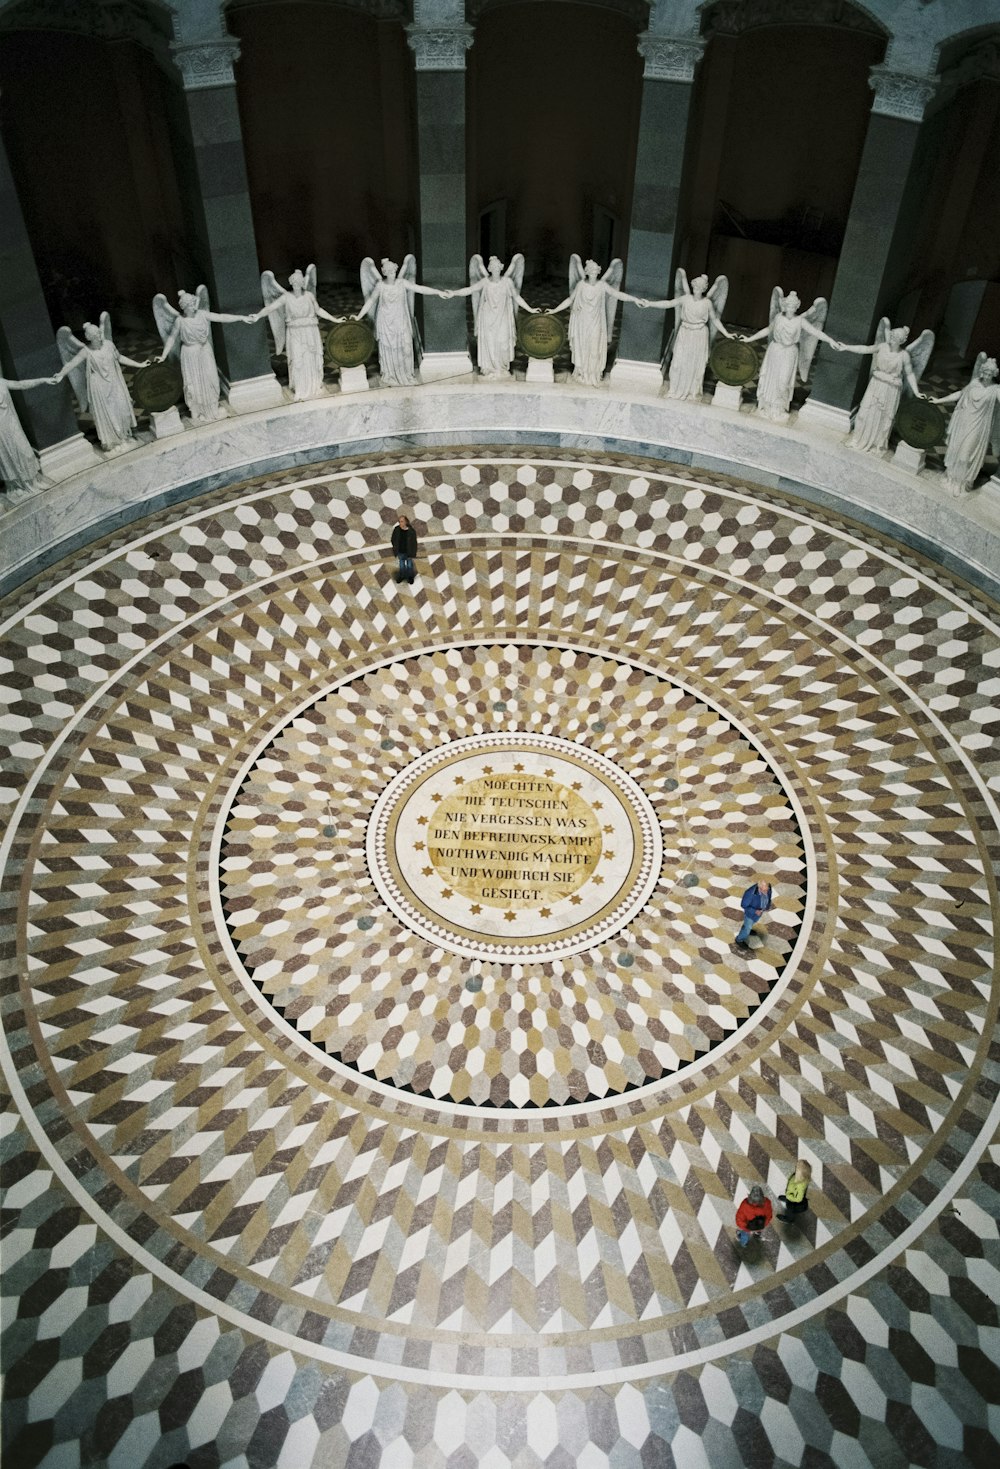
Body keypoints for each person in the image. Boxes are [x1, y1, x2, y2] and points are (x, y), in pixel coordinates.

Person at [153, 285, 258, 422]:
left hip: (204, 350)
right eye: (190, 305)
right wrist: (164, 355)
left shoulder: (202, 314)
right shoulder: (180, 321)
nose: (193, 306)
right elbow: (172, 338)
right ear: (184, 307)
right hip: (190, 354)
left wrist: (241, 318)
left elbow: (221, 317)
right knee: (193, 383)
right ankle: (197, 411)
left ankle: (211, 409)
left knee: (211, 379)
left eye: (193, 303)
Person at [834, 319, 934, 454]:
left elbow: (910, 374)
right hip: (876, 385)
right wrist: (846, 347)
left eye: (896, 337)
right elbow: (866, 349)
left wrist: (916, 392)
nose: (892, 338)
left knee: (883, 418)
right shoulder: (882, 346)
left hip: (890, 390)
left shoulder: (904, 355)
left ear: (902, 341)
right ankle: (858, 439)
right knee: (864, 413)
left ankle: (876, 444)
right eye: (892, 335)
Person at [55, 315, 149, 453]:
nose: (99, 336)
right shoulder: (86, 351)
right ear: (89, 338)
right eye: (95, 335)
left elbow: (120, 357)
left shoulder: (109, 345)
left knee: (123, 409)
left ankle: (124, 436)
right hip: (99, 388)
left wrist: (139, 364)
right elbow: (72, 364)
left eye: (99, 333)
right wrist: (60, 374)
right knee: (109, 415)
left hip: (115, 383)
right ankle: (115, 442)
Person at [741, 288, 835, 421]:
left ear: (797, 306)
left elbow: (815, 332)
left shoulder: (800, 320)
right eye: (788, 305)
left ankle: (778, 409)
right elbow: (768, 330)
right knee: (771, 379)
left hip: (789, 352)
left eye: (793, 305)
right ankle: (767, 407)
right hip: (775, 350)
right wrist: (750, 339)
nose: (790, 308)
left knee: (783, 381)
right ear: (784, 305)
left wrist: (830, 340)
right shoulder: (778, 317)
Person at [637, 269, 731, 401]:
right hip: (685, 332)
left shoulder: (707, 303)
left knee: (694, 364)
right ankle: (675, 389)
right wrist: (650, 303)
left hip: (699, 335)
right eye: (695, 286)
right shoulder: (685, 298)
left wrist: (726, 333)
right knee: (677, 363)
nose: (697, 288)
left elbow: (715, 320)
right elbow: (669, 303)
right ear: (692, 286)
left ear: (704, 288)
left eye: (700, 287)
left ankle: (691, 391)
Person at [356, 257, 449, 387]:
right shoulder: (380, 286)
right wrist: (359, 316)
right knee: (389, 349)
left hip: (401, 319)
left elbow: (419, 289)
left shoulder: (402, 283)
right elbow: (370, 301)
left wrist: (437, 292)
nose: (393, 273)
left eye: (394, 270)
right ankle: (390, 375)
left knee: (405, 347)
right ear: (385, 272)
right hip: (386, 321)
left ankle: (405, 374)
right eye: (389, 271)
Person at [254, 266, 343, 401]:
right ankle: (301, 389)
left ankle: (314, 386)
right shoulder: (286, 297)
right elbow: (270, 307)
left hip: (310, 331)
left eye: (300, 282)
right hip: (295, 333)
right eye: (295, 282)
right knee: (297, 359)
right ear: (291, 283)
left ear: (303, 283)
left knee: (311, 358)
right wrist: (257, 316)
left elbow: (318, 310)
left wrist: (334, 319)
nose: (297, 284)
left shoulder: (309, 296)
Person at [446, 254, 538, 379]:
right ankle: (490, 369)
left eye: (497, 266)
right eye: (492, 267)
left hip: (503, 317)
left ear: (501, 268)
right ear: (489, 269)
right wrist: (453, 293)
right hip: (488, 318)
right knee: (490, 343)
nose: (495, 269)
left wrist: (530, 309)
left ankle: (502, 368)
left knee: (503, 342)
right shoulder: (485, 282)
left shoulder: (507, 282)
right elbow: (470, 290)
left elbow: (517, 297)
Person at [551, 256, 638, 386]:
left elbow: (617, 295)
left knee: (594, 348)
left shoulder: (602, 285)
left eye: (595, 270)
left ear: (598, 271)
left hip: (596, 322)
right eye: (590, 270)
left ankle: (593, 375)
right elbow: (570, 300)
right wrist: (554, 310)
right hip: (582, 322)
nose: (593, 272)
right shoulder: (581, 285)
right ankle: (582, 373)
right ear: (586, 271)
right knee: (582, 347)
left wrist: (634, 299)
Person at [932, 354, 1000, 495]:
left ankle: (960, 483)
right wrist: (938, 401)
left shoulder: (996, 390)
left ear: (994, 374)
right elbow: (959, 394)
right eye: (985, 371)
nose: (986, 375)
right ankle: (951, 478)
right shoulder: (975, 383)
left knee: (965, 456)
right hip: (963, 421)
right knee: (955, 451)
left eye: (989, 373)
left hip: (978, 426)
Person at [1, 373, 59, 498]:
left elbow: (21, 384)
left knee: (24, 450)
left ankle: (32, 481)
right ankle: (16, 486)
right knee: (6, 456)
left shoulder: (2, 382)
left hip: (11, 425)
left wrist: (43, 379)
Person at [735, 876, 773, 948]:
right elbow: (743, 905)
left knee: (751, 923)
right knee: (747, 926)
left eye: (767, 890)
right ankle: (739, 939)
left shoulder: (768, 888)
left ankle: (747, 929)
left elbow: (769, 897)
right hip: (751, 913)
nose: (766, 892)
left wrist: (767, 906)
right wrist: (755, 911)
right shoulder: (750, 893)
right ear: (759, 888)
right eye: (764, 890)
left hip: (759, 912)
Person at [391, 513, 417, 584]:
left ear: (406, 521)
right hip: (400, 551)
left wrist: (413, 553)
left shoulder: (411, 531)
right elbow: (393, 539)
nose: (400, 523)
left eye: (402, 521)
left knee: (409, 565)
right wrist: (395, 547)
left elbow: (414, 543)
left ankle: (410, 577)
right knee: (402, 565)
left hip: (409, 552)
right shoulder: (396, 529)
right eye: (399, 521)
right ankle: (402, 576)